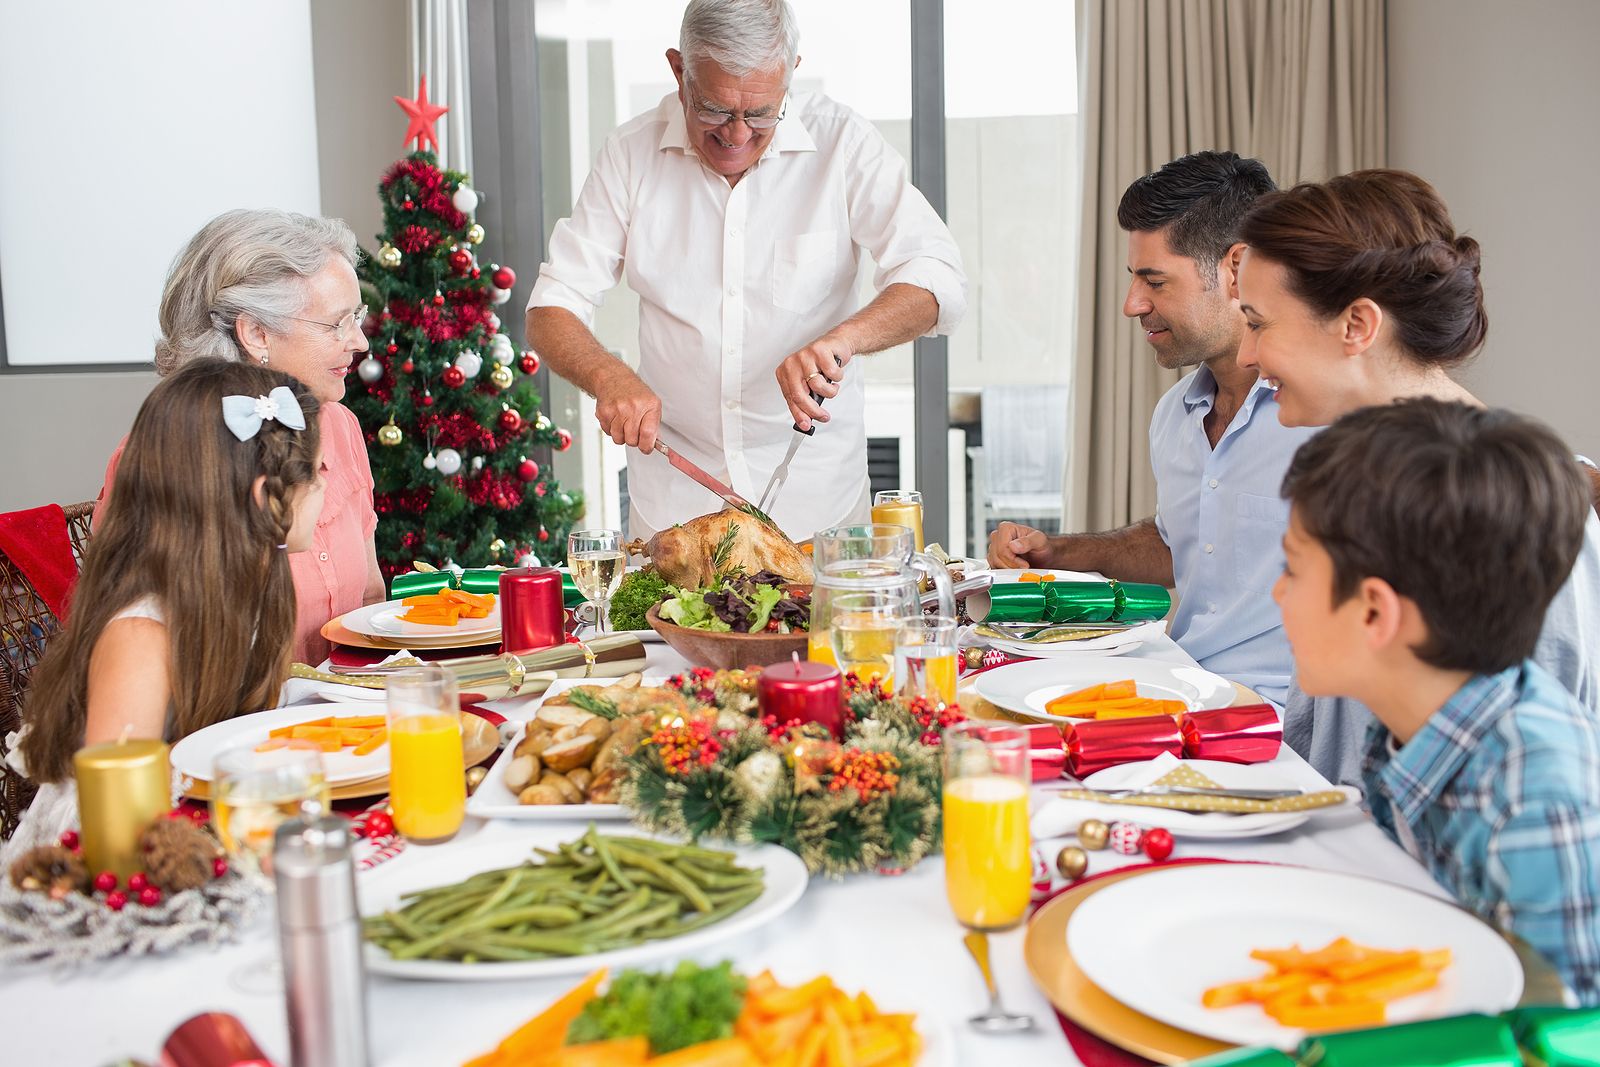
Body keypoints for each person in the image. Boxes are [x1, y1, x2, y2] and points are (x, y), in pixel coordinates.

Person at [526, 0, 966, 541]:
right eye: (714, 109)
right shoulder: (630, 153)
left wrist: (846, 339)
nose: (736, 134)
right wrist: (607, 375)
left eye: (760, 113)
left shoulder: (843, 143)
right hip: (676, 512)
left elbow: (938, 276)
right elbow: (552, 305)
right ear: (679, 72)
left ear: (791, 75)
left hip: (818, 509)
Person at [1237, 168, 1600, 784]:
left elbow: (1543, 776)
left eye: (1258, 322)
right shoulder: (1359, 480)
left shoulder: (1503, 509)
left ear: (1357, 325)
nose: (1247, 356)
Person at [1276, 400, 1600, 1003]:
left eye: (1291, 570)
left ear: (1374, 613)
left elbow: (1568, 1033)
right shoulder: (1409, 719)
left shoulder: (1534, 803)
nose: (1277, 593)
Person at [988, 152, 1315, 706]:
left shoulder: (1319, 417)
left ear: (1236, 269)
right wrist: (1056, 553)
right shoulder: (1175, 414)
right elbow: (1181, 545)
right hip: (1181, 683)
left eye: (1154, 281)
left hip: (1276, 719)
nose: (1132, 304)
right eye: (1133, 279)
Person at [2, 360, 325, 862]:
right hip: (113, 869)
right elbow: (109, 827)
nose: (324, 486)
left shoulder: (243, 588)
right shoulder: (141, 638)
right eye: (317, 472)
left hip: (198, 833)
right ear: (266, 498)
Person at [98, 209, 383, 664]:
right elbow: (141, 644)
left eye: (358, 316)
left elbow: (370, 597)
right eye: (337, 323)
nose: (361, 342)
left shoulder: (339, 425)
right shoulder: (166, 452)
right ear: (256, 333)